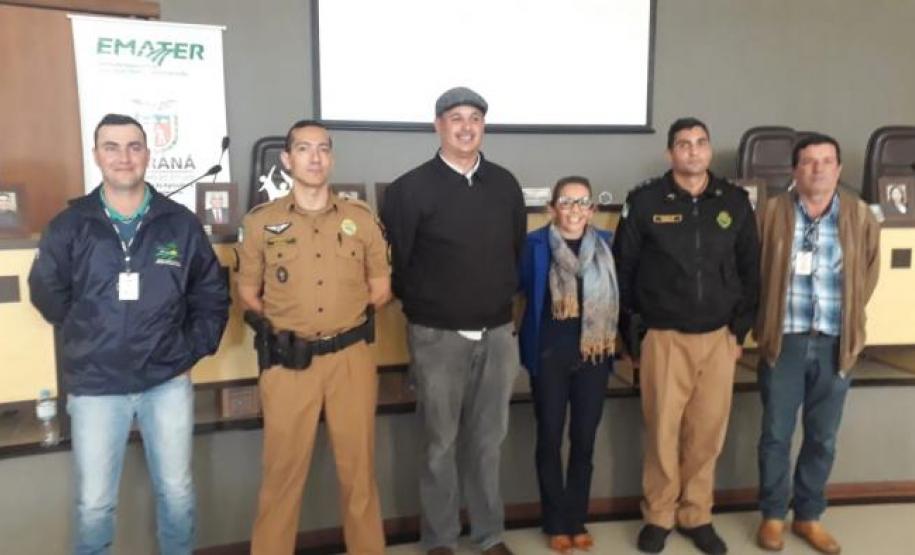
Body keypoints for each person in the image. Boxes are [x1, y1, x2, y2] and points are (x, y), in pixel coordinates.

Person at [28, 113, 229, 554]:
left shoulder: (179, 223)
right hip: (96, 386)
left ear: (148, 154)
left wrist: (186, 350)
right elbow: (46, 292)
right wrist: (89, 334)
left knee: (176, 493)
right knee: (95, 504)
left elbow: (211, 294)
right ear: (97, 154)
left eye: (134, 146)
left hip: (166, 383)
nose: (124, 157)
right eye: (112, 147)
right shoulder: (71, 224)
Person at [381, 87, 526, 555]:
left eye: (475, 118)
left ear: (484, 126)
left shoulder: (505, 184)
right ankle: (440, 540)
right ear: (438, 125)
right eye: (456, 118)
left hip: (499, 336)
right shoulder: (410, 189)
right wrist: (432, 309)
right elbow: (399, 263)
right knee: (439, 445)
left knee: (487, 444)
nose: (466, 126)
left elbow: (515, 252)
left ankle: (489, 537)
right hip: (437, 338)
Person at [238, 119, 391, 555]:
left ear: (332, 157)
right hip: (289, 363)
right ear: (287, 160)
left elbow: (380, 290)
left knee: (359, 475)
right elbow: (248, 294)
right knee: (281, 477)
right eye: (304, 149)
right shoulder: (261, 222)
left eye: (323, 148)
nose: (315, 157)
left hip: (351, 359)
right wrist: (292, 325)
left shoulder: (360, 219)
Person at [612, 117, 760, 554]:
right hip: (664, 337)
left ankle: (696, 514)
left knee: (706, 433)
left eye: (700, 143)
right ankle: (658, 515)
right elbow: (624, 270)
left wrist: (739, 331)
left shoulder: (734, 201)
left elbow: (752, 271)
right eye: (683, 144)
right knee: (661, 432)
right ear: (670, 153)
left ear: (709, 150)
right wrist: (633, 338)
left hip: (719, 338)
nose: (692, 151)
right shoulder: (644, 201)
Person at [754, 134, 880, 554]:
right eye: (809, 162)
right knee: (775, 434)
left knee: (822, 437)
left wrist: (851, 324)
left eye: (827, 161)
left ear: (839, 169)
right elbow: (753, 269)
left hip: (834, 343)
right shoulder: (770, 213)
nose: (819, 168)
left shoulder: (859, 215)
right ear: (795, 170)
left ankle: (808, 516)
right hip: (784, 340)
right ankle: (773, 516)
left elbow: (868, 272)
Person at [517, 176, 619, 554]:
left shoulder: (608, 247)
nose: (575, 210)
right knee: (549, 439)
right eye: (566, 201)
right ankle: (555, 521)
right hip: (549, 357)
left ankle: (577, 520)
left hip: (594, 357)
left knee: (585, 441)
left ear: (592, 209)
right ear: (552, 208)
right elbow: (516, 290)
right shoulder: (533, 246)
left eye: (582, 203)